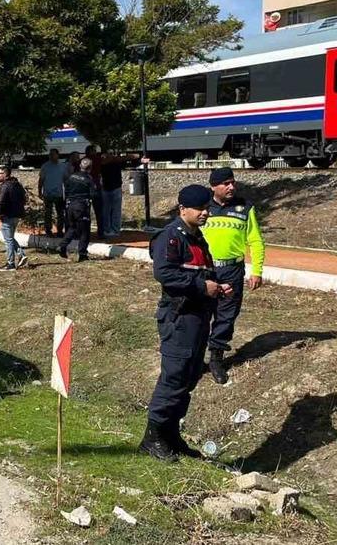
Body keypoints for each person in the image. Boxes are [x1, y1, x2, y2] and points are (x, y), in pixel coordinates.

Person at [141, 184, 234, 461]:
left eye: (207, 208)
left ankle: (171, 434)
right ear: (183, 209)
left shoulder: (197, 237)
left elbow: (202, 273)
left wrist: (217, 286)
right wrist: (202, 286)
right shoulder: (171, 237)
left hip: (198, 317)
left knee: (189, 377)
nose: (206, 213)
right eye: (200, 209)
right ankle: (153, 437)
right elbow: (165, 274)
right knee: (174, 376)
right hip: (179, 318)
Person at [200, 167, 266, 385]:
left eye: (232, 182)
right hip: (205, 270)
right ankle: (194, 358)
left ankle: (216, 358)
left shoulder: (245, 208)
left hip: (232, 271)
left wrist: (257, 271)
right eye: (225, 183)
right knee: (199, 314)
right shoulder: (201, 208)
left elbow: (255, 241)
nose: (231, 187)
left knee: (226, 316)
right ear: (213, 187)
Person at [59, 158, 95, 261]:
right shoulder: (88, 179)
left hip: (70, 206)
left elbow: (65, 189)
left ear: (80, 166)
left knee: (72, 228)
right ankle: (82, 255)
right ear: (90, 168)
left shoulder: (71, 176)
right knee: (84, 231)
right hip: (81, 207)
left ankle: (62, 246)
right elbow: (93, 194)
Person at [0, 165, 28, 271]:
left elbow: (1, 201)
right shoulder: (17, 184)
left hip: (7, 216)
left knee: (8, 240)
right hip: (17, 215)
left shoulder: (5, 185)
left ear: (5, 174)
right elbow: (24, 198)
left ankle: (11, 264)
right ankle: (21, 255)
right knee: (10, 238)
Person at [37, 148, 67, 236]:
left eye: (53, 154)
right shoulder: (45, 166)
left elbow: (65, 180)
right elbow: (41, 180)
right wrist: (39, 191)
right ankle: (48, 230)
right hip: (48, 194)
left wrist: (67, 192)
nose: (51, 156)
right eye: (50, 154)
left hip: (59, 194)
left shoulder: (62, 166)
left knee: (60, 213)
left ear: (57, 155)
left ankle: (60, 230)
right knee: (48, 213)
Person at [99, 152, 126, 237]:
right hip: (112, 188)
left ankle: (110, 229)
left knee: (109, 211)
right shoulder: (115, 162)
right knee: (112, 211)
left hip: (110, 188)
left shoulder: (104, 163)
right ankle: (113, 230)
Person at [84, 145, 105, 238]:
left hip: (85, 188)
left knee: (86, 212)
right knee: (99, 212)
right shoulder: (97, 159)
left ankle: (86, 233)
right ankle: (101, 232)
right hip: (96, 187)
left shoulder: (82, 161)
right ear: (92, 151)